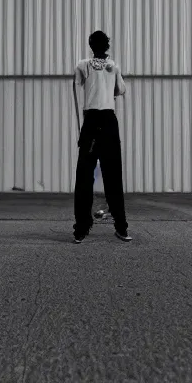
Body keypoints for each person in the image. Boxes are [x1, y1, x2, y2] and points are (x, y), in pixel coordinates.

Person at [72, 30, 131, 243]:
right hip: (108, 121)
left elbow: (76, 87)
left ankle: (81, 228)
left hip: (91, 121)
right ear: (107, 46)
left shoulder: (82, 65)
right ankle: (121, 227)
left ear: (90, 45)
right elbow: (121, 90)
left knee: (85, 176)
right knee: (113, 174)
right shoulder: (113, 66)